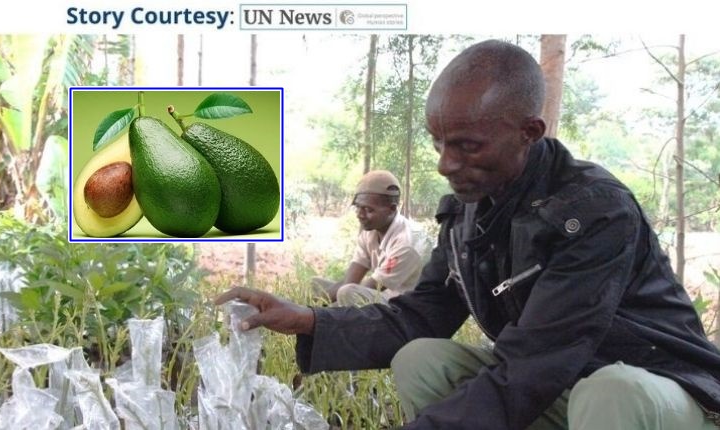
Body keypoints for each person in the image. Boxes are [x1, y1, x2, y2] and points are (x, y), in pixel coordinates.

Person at [215, 39, 720, 429]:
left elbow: (537, 361)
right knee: (421, 358)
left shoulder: (592, 211)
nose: (444, 164)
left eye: (467, 145)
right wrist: (306, 320)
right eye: (438, 142)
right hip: (562, 386)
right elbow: (420, 315)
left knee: (610, 393)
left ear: (529, 131)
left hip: (655, 389)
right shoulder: (467, 210)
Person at [311, 170, 425, 306]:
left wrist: (315, 313)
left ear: (392, 209)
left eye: (368, 210)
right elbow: (350, 281)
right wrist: (311, 305)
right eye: (358, 207)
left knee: (347, 293)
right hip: (383, 297)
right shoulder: (370, 231)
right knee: (315, 284)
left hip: (407, 309)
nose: (360, 215)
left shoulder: (407, 243)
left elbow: (366, 289)